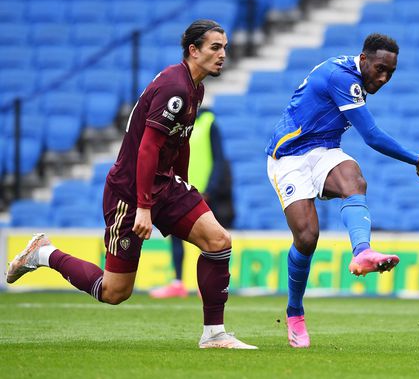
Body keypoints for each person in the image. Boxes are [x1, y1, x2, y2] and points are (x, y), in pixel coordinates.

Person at [6, 19, 256, 350]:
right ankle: (44, 254)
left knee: (218, 241)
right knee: (115, 292)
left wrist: (182, 181)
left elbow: (181, 141)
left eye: (224, 47)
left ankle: (214, 334)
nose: (223, 54)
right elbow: (148, 148)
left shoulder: (195, 87)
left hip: (165, 184)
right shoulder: (175, 88)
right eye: (215, 47)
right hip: (129, 192)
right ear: (193, 51)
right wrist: (143, 207)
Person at [265, 33, 419, 348]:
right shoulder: (342, 77)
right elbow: (370, 135)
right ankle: (295, 312)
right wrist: (415, 159)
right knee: (307, 238)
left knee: (354, 180)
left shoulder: (351, 75)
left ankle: (362, 252)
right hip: (288, 155)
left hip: (323, 150)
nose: (383, 78)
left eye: (391, 73)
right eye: (380, 69)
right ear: (364, 59)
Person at [149, 106, 235, 299]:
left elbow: (219, 160)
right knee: (175, 237)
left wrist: (209, 190)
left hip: (204, 193)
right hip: (180, 189)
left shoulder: (209, 123)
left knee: (206, 239)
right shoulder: (178, 123)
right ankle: (178, 282)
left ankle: (205, 284)